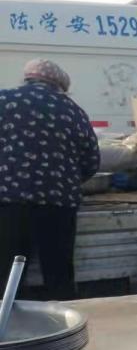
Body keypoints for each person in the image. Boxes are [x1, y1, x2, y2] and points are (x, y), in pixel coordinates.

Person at [0, 59, 99, 300]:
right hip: (59, 204)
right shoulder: (73, 111)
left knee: (7, 276)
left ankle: (7, 319)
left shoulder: (4, 100)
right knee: (59, 273)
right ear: (59, 85)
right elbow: (91, 160)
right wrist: (69, 179)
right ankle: (63, 320)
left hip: (10, 202)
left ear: (27, 78)